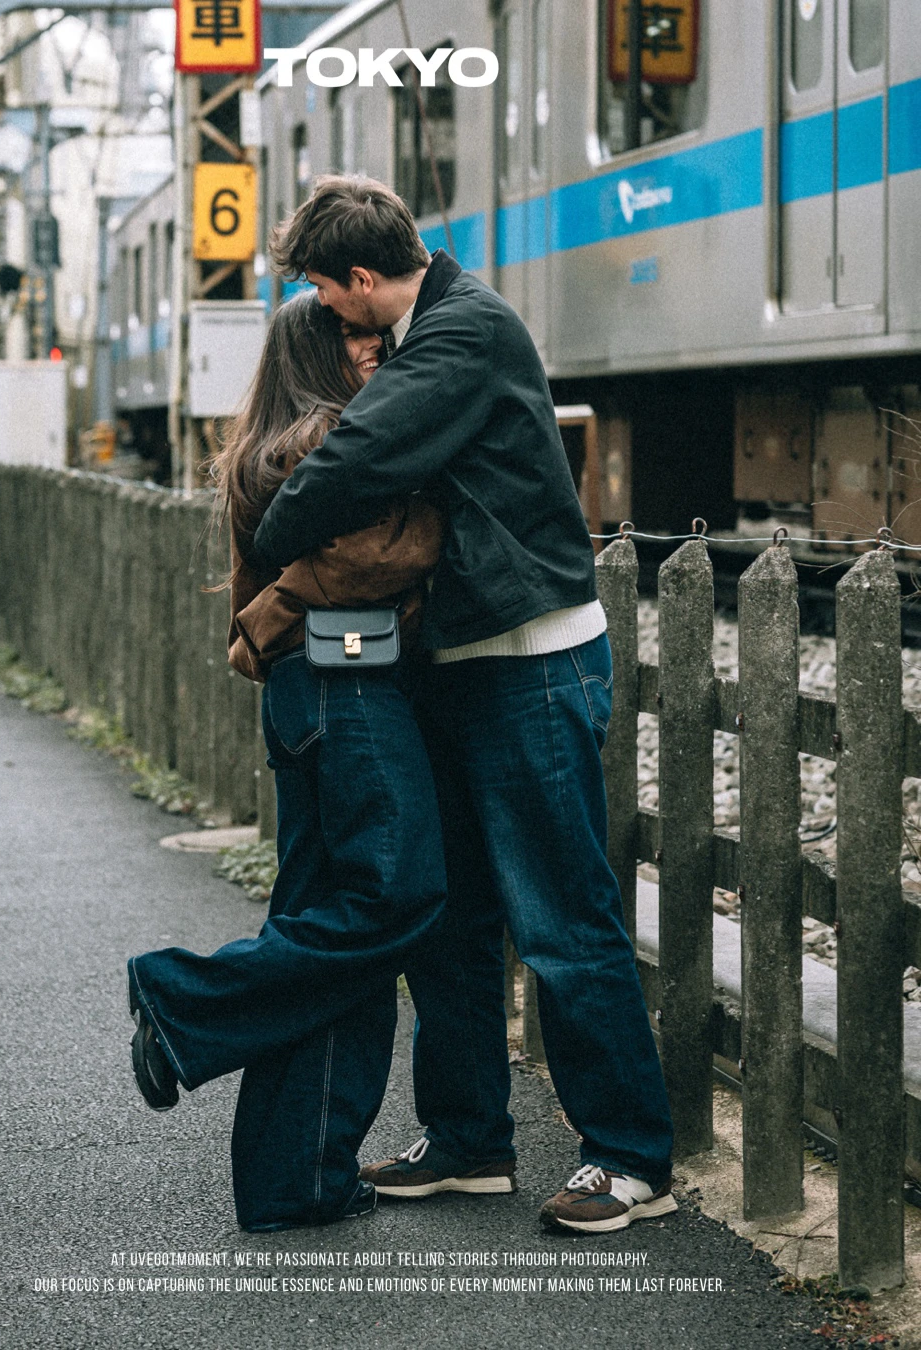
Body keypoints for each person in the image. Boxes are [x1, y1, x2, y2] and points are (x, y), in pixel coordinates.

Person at [251, 176, 677, 1235]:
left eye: (320, 286)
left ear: (360, 279)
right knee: (453, 917)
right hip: (465, 661)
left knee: (561, 912)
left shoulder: (460, 334)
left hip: (530, 658)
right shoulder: (419, 333)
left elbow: (356, 461)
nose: (318, 308)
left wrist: (274, 536)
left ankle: (630, 1160)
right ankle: (469, 1139)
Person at [127, 291, 450, 1233]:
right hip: (349, 687)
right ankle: (182, 999)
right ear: (314, 351)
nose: (374, 345)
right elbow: (393, 548)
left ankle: (294, 1179)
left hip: (308, 695)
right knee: (398, 898)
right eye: (352, 334)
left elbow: (271, 586)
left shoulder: (261, 445)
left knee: (324, 926)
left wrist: (266, 620)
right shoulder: (322, 441)